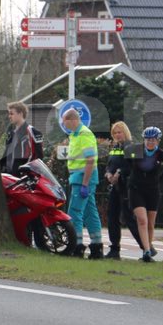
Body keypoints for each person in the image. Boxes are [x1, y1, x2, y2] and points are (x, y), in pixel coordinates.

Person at [123, 126, 163, 262]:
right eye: (148, 139)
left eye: (153, 140)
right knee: (142, 220)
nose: (150, 142)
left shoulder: (161, 154)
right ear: (144, 140)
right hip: (136, 189)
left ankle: (148, 250)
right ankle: (146, 251)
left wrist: (160, 180)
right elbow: (126, 158)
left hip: (153, 191)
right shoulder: (135, 150)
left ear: (158, 141)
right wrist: (129, 175)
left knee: (150, 223)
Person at [61, 107, 103, 259]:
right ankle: (97, 247)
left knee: (74, 212)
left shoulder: (84, 134)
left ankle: (76, 246)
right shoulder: (76, 134)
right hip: (81, 178)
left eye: (64, 121)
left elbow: (90, 160)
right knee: (90, 213)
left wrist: (85, 184)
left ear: (72, 120)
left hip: (82, 179)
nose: (63, 125)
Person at [103, 121, 141, 259]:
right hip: (115, 187)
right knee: (112, 217)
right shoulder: (115, 147)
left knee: (130, 219)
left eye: (120, 132)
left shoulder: (132, 146)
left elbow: (135, 167)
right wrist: (108, 173)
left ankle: (146, 248)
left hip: (127, 188)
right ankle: (114, 249)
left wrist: (120, 172)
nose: (117, 135)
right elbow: (110, 164)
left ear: (125, 132)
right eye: (115, 133)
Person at [2, 101, 43, 175]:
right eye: (9, 114)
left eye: (11, 113)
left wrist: (26, 172)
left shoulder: (32, 131)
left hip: (24, 178)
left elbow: (38, 156)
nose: (9, 116)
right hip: (9, 176)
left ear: (20, 114)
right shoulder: (10, 132)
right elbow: (6, 154)